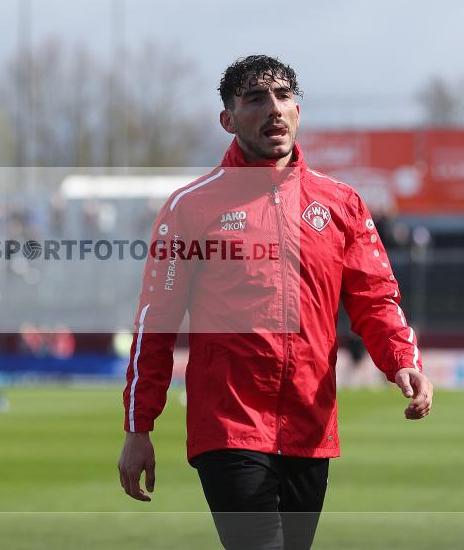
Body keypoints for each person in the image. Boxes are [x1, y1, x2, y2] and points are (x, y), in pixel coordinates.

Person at [117, 55, 433, 550]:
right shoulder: (191, 207)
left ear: (299, 111)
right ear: (228, 119)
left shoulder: (341, 203)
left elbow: (375, 297)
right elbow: (155, 322)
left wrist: (401, 361)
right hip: (229, 427)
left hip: (311, 425)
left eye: (284, 96)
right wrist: (139, 426)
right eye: (256, 99)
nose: (274, 109)